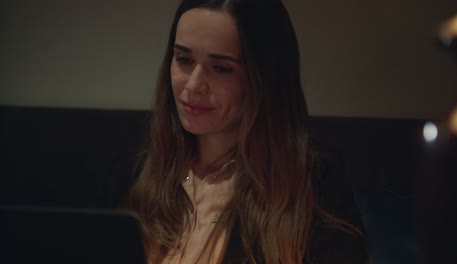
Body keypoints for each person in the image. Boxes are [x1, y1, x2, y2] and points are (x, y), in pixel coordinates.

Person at [126, 0, 369, 263]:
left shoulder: (313, 179)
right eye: (184, 59)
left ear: (263, 78)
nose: (194, 85)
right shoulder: (137, 175)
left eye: (221, 68)